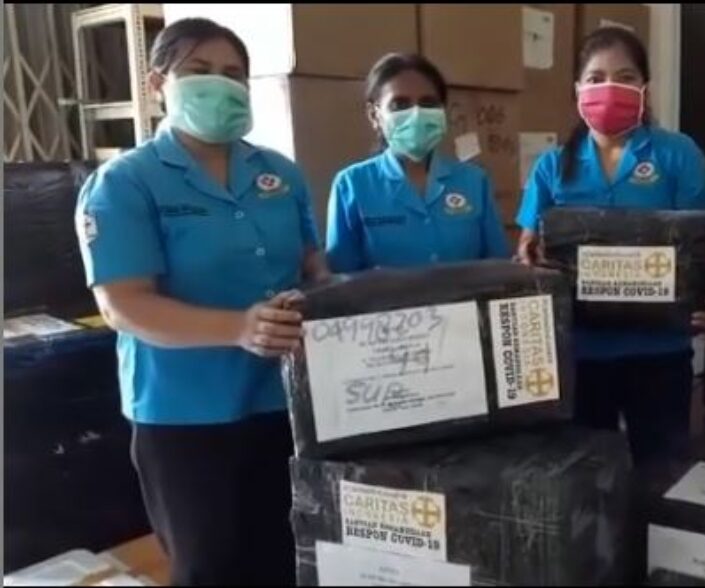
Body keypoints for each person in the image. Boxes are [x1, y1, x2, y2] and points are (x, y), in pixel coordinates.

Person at [74, 18, 328, 586]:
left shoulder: (280, 175)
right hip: (185, 415)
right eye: (199, 70)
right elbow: (123, 305)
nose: (220, 84)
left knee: (291, 557)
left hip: (284, 402)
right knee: (210, 567)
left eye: (233, 74)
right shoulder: (126, 183)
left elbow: (315, 266)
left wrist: (332, 298)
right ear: (157, 83)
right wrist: (239, 327)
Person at [515, 27, 705, 465]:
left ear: (645, 88)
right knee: (589, 478)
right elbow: (528, 248)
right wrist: (532, 257)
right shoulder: (552, 166)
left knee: (662, 471)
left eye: (625, 77)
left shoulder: (679, 155)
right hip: (581, 354)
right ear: (577, 90)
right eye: (596, 78)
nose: (610, 88)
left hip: (661, 352)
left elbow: (702, 247)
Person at [325, 53, 510, 272]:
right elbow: (342, 276)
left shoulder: (474, 181)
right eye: (399, 104)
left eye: (428, 103)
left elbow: (498, 266)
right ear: (374, 115)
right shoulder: (352, 185)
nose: (416, 115)